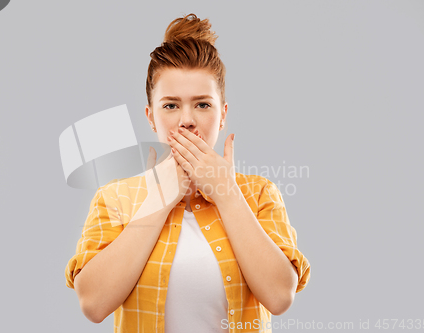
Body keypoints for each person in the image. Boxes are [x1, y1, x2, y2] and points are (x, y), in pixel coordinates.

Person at [65, 13, 311, 333]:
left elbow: (280, 297)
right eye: (170, 105)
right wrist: (158, 202)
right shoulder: (115, 198)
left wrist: (227, 194)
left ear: (222, 115)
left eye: (202, 105)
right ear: (151, 116)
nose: (187, 120)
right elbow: (93, 304)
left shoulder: (259, 194)